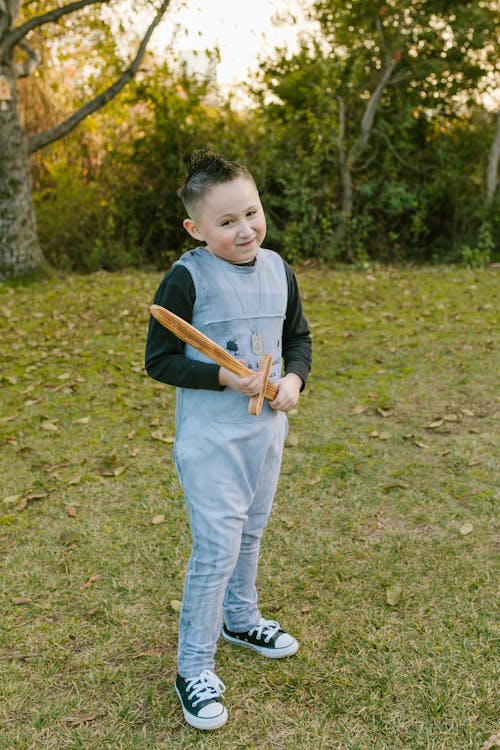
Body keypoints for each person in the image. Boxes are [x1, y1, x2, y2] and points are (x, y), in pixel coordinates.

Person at [145, 150, 312, 731]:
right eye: (226, 222)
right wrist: (221, 374)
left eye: (252, 213)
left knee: (250, 531)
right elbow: (159, 361)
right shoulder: (186, 278)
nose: (245, 231)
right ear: (196, 228)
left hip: (265, 432)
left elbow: (298, 338)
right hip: (211, 440)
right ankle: (193, 667)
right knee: (216, 546)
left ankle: (240, 618)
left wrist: (293, 379)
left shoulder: (277, 267)